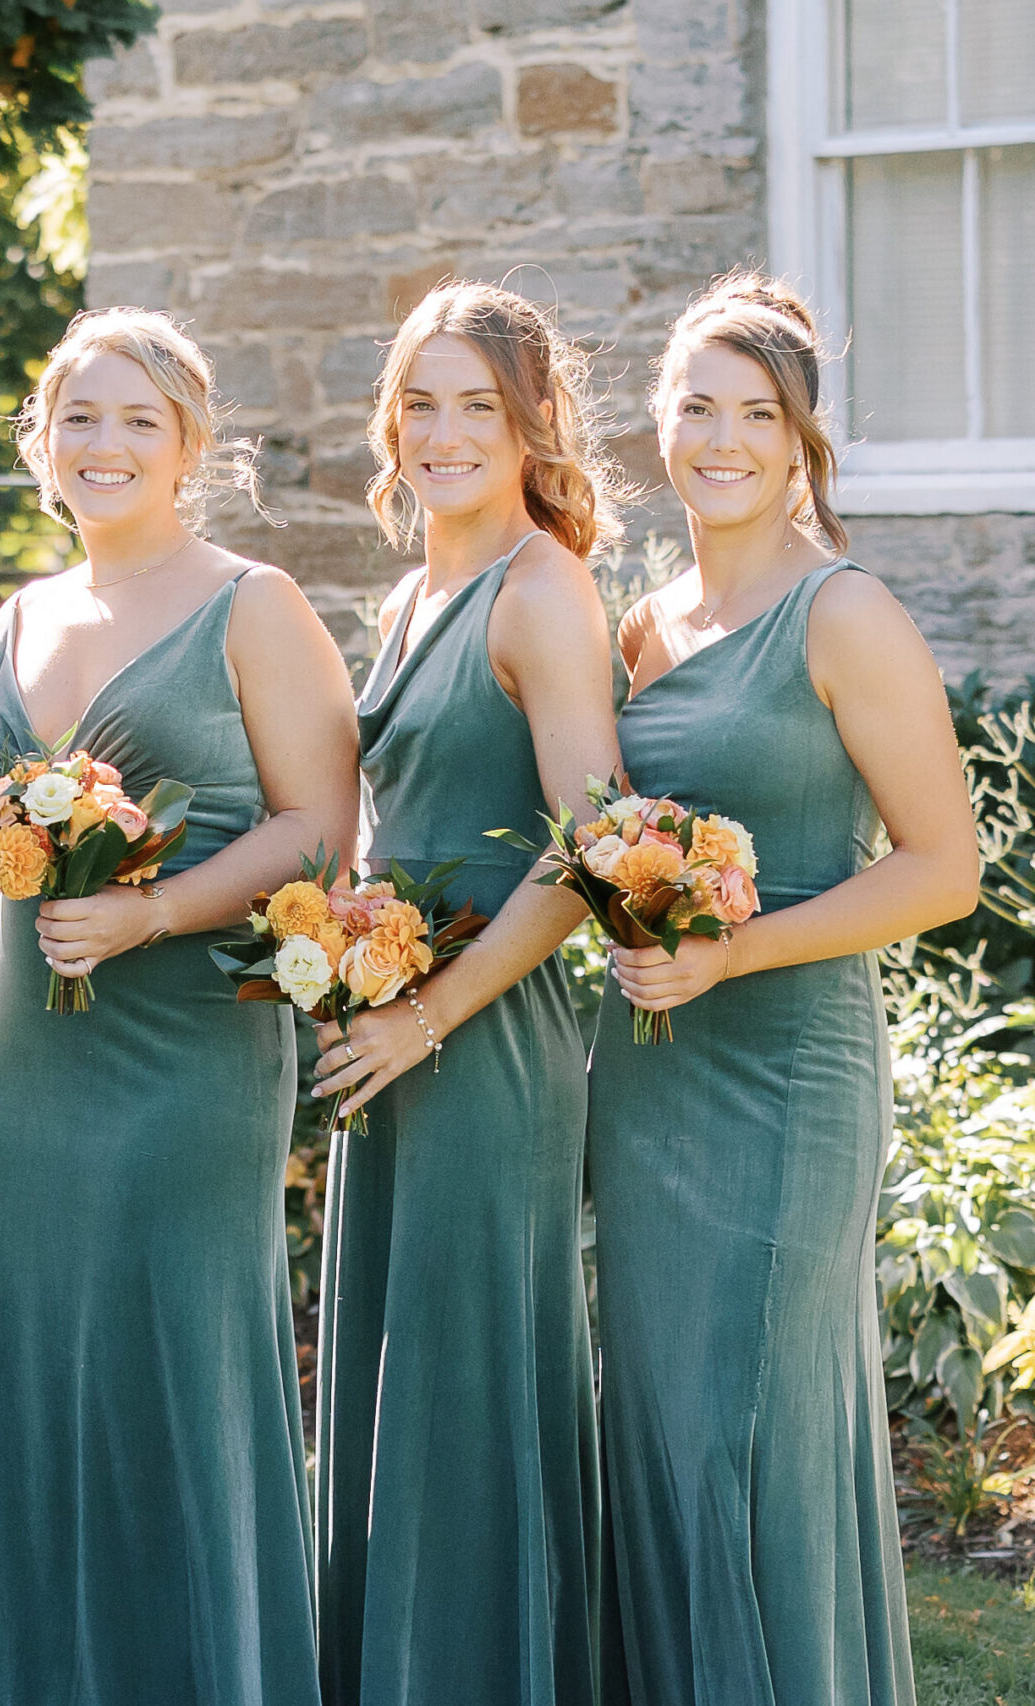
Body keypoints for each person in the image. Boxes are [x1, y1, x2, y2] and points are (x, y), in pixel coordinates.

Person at [0, 308, 358, 1706]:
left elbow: (319, 828)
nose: (104, 444)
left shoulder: (254, 602)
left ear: (190, 443)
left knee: (181, 1370)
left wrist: (152, 908)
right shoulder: (18, 613)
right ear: (42, 444)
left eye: (137, 419)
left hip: (190, 1046)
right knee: (35, 1372)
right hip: (23, 1060)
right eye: (79, 418)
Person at [590, 273, 978, 1705]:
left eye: (759, 413)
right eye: (698, 405)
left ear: (803, 438)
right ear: (661, 421)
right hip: (648, 1074)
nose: (723, 437)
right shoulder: (645, 630)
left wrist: (733, 950)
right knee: (656, 1424)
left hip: (784, 1073)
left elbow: (946, 866)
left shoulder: (845, 612)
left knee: (737, 1431)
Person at [307, 280, 624, 1705]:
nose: (443, 432)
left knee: (470, 1381)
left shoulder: (543, 591)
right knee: (392, 1376)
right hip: (394, 1022)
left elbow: (589, 855)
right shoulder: (417, 586)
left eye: (476, 407)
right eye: (419, 403)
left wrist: (428, 1010)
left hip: (482, 1039)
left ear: (531, 424)